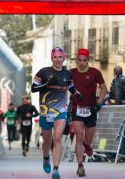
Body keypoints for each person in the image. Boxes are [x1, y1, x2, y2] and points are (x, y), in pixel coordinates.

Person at [31, 47, 83, 179]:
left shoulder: (68, 74)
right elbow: (33, 88)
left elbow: (70, 86)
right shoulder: (43, 72)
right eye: (55, 57)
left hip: (61, 110)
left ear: (64, 58)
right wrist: (46, 84)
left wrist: (77, 93)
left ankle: (56, 169)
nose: (58, 60)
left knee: (57, 137)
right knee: (47, 142)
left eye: (60, 57)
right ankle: (45, 157)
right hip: (46, 111)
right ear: (51, 58)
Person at [69, 48, 108, 177]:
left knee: (88, 140)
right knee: (79, 136)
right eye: (79, 60)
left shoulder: (95, 73)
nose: (81, 63)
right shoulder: (71, 73)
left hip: (91, 109)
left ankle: (87, 145)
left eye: (84, 60)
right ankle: (80, 165)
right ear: (76, 60)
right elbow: (63, 86)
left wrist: (99, 103)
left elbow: (104, 89)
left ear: (88, 60)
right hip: (77, 109)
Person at [108, 65, 125, 159]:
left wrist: (115, 110)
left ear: (114, 73)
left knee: (120, 132)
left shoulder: (117, 83)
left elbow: (118, 98)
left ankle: (120, 155)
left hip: (121, 110)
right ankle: (123, 154)